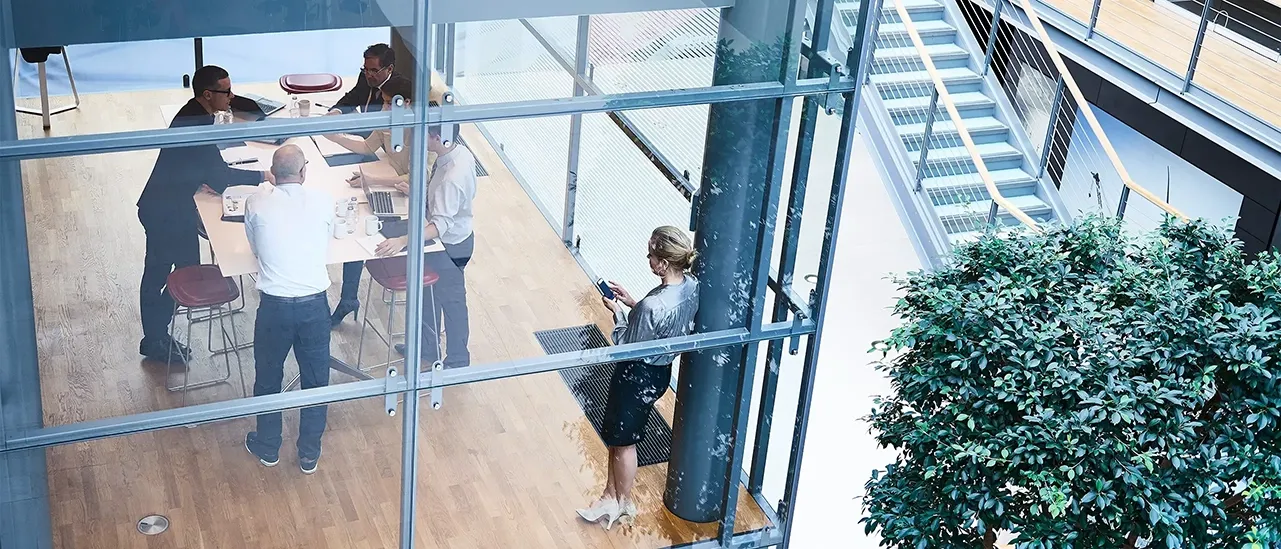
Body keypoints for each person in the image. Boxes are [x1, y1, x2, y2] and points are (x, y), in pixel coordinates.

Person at [136, 65, 271, 362]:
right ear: (208, 94)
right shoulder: (196, 124)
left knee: (178, 270)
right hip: (165, 212)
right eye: (226, 91)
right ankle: (155, 337)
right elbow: (221, 177)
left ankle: (156, 334)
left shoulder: (195, 114)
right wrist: (264, 174)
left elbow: (203, 166)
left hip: (169, 205)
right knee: (178, 274)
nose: (231, 97)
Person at [576, 226, 700, 530]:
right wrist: (632, 303)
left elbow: (625, 344)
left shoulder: (652, 305)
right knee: (620, 437)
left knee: (624, 440)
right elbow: (663, 327)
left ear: (664, 263)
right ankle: (611, 496)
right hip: (659, 372)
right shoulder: (691, 287)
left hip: (635, 375)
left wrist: (616, 312)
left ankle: (620, 500)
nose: (648, 259)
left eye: (652, 255)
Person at [325, 76, 447, 326]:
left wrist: (373, 180)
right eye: (384, 102)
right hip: (394, 188)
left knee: (361, 229)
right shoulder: (387, 122)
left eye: (389, 103)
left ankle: (349, 298)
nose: (383, 108)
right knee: (356, 226)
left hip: (415, 202)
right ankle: (349, 298)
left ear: (407, 103)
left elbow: (419, 178)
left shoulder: (420, 130)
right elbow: (367, 148)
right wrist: (334, 137)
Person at [242, 145, 334, 474]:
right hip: (314, 307)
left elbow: (254, 247)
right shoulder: (324, 201)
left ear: (273, 173)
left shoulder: (256, 202)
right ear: (304, 172)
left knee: (267, 379)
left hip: (274, 309)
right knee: (315, 381)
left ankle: (268, 447)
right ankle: (309, 454)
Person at [375, 124, 476, 370]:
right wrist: (419, 193)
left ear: (438, 138)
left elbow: (439, 226)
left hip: (451, 244)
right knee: (428, 294)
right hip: (451, 237)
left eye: (425, 133)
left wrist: (402, 241)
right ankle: (427, 348)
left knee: (451, 302)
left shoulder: (452, 177)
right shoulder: (460, 153)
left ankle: (458, 361)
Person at [329, 43, 400, 115]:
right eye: (366, 69)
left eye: (374, 71)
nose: (368, 75)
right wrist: (336, 111)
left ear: (389, 69)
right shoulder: (364, 75)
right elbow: (353, 97)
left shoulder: (400, 87)